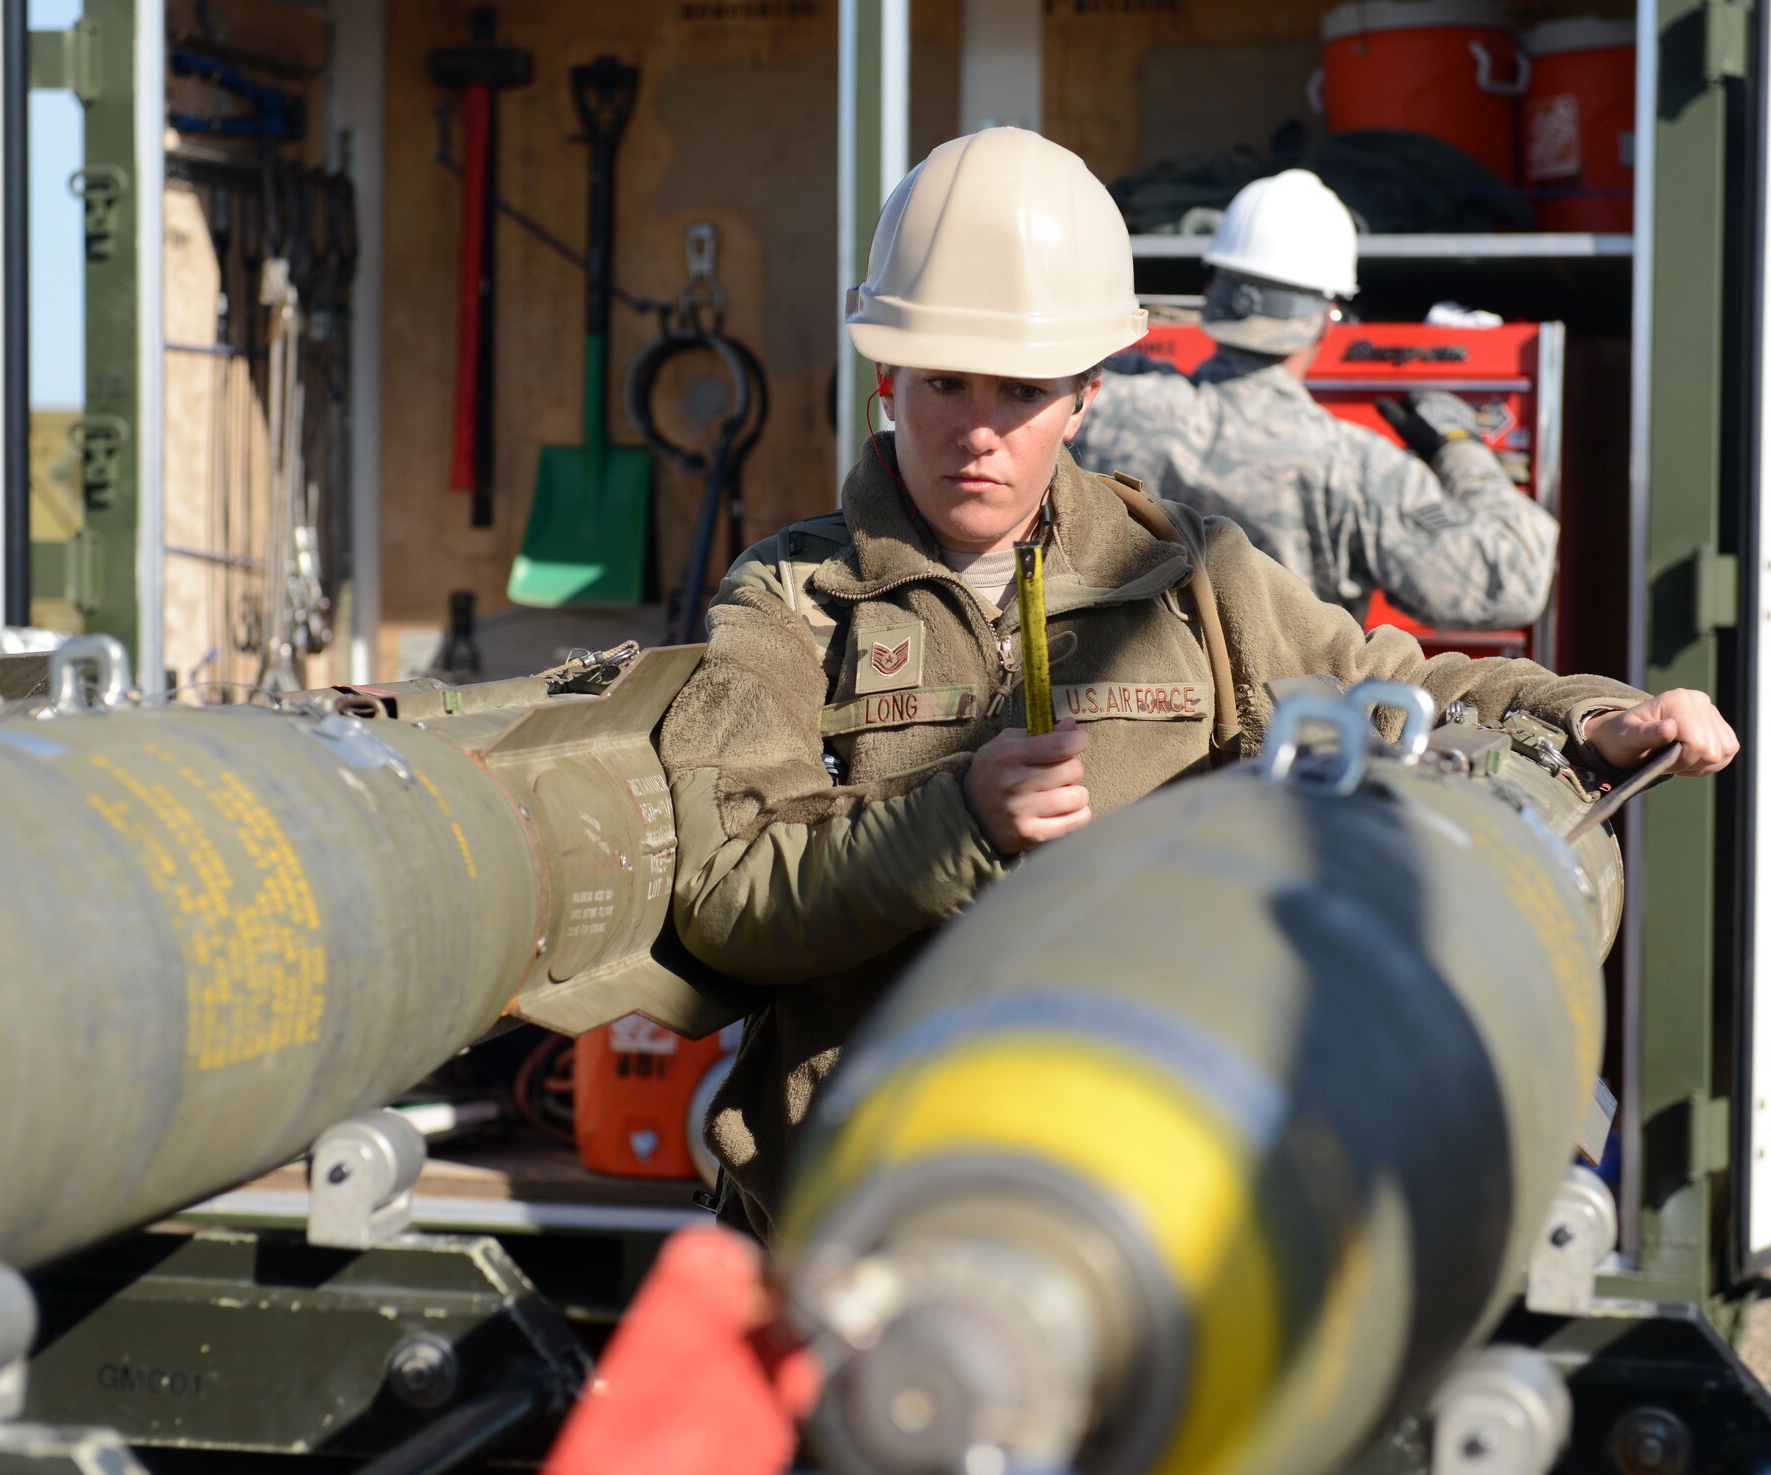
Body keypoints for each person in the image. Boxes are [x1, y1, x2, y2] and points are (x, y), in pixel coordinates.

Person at [657, 128, 1736, 1240]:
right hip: (865, 1216)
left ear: (1085, 395)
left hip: (1158, 1217)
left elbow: (1408, 684)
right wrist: (959, 822)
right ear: (887, 380)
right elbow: (723, 903)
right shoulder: (792, 599)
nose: (974, 431)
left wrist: (1592, 715)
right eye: (941, 382)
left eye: (1020, 389)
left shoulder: (1190, 575)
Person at [1070, 168, 1559, 630]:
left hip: (1129, 711)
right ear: (1327, 318)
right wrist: (1460, 449)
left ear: (1213, 290)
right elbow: (1512, 584)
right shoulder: (1357, 468)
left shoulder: (1103, 405)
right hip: (1288, 717)